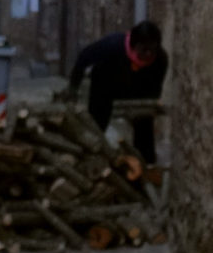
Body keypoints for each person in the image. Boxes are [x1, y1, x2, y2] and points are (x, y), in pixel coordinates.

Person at [68, 20, 168, 164]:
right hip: (105, 84)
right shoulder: (112, 46)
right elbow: (83, 58)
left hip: (138, 90)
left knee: (144, 123)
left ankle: (146, 166)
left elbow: (155, 87)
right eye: (144, 50)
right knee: (96, 123)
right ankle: (92, 158)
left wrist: (150, 105)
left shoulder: (160, 59)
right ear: (134, 46)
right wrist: (73, 89)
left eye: (152, 50)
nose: (148, 54)